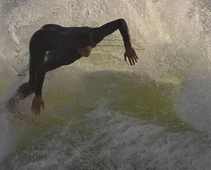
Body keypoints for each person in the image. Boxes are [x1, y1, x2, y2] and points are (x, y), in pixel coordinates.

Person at [8, 19, 138, 115]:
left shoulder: (97, 34)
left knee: (52, 57)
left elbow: (120, 22)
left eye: (87, 51)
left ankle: (49, 56)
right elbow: (41, 70)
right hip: (39, 40)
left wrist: (128, 47)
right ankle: (11, 103)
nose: (85, 54)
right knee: (33, 84)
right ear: (76, 48)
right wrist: (38, 95)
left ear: (92, 44)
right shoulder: (67, 55)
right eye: (81, 52)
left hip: (53, 29)